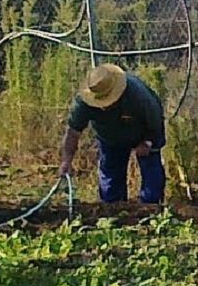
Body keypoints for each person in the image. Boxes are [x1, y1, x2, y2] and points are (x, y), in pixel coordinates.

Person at [58, 63, 167, 204]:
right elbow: (73, 132)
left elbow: (156, 121)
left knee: (151, 179)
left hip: (143, 133)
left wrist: (147, 142)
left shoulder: (137, 95)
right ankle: (114, 212)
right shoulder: (83, 103)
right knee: (110, 185)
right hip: (110, 139)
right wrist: (66, 161)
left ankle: (151, 211)